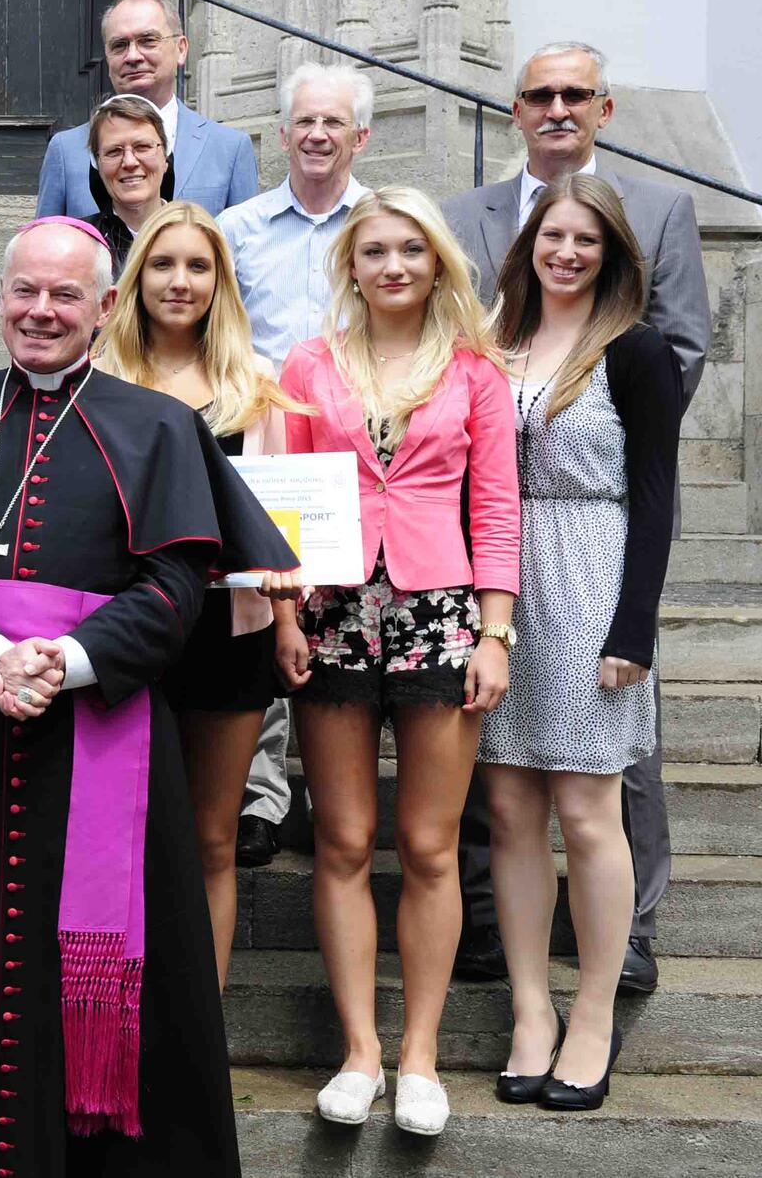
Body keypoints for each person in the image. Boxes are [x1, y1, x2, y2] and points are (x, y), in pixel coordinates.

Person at [0, 216, 294, 1175]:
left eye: (65, 295)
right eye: (24, 292)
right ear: (0, 299)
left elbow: (175, 586)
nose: (40, 311)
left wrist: (68, 662)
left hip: (102, 731)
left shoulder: (157, 426)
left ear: (106, 306)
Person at [442, 40, 711, 993]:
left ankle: (625, 939)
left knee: (607, 781)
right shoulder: (469, 238)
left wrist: (595, 423)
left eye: (575, 93)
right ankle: (501, 950)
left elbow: (679, 355)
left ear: (603, 108)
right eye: (539, 94)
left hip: (596, 543)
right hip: (500, 556)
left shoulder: (654, 238)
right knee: (507, 787)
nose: (557, 108)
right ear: (515, 109)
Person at [272, 186, 520, 1136]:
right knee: (341, 842)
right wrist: (285, 613)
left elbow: (496, 506)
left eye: (411, 250)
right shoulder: (310, 363)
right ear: (351, 264)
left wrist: (495, 632)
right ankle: (359, 1054)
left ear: (438, 261)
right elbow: (283, 504)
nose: (394, 266)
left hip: (440, 614)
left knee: (427, 844)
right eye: (374, 250)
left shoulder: (473, 372)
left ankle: (419, 1055)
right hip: (333, 616)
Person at [480, 174, 681, 1111]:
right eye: (553, 236)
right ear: (529, 246)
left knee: (589, 811)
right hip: (499, 580)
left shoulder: (635, 349)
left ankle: (593, 1014)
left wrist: (634, 627)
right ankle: (531, 1010)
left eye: (586, 241)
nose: (566, 253)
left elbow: (655, 497)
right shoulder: (493, 340)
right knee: (510, 809)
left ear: (612, 256)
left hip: (594, 577)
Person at [93, 201, 303, 986]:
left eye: (198, 266)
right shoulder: (97, 379)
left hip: (228, 629)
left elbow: (277, 518)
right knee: (127, 833)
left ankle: (199, 1024)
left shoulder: (257, 383)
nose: (179, 281)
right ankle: (122, 1007)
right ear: (134, 278)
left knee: (214, 839)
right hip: (125, 628)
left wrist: (287, 618)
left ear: (221, 282)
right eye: (162, 263)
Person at [217, 61, 375, 870]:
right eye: (304, 122)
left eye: (333, 122)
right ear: (281, 134)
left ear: (361, 136)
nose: (317, 135)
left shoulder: (382, 225)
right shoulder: (238, 228)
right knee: (267, 602)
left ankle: (338, 797)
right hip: (267, 446)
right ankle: (263, 794)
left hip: (363, 449)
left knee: (338, 610)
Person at [35, 0, 258, 220]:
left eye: (148, 41)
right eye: (119, 45)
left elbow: (246, 240)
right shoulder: (65, 151)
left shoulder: (230, 148)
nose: (133, 56)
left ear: (181, 49)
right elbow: (44, 240)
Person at [85, 93, 171, 264]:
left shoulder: (196, 238)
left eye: (143, 147)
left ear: (165, 159)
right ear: (97, 165)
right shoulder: (80, 242)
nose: (129, 162)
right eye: (113, 152)